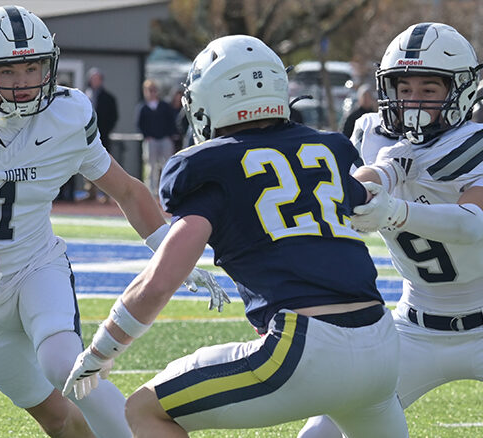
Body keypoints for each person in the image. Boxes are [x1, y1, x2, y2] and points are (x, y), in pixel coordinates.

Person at [0, 6, 224, 438]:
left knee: (65, 366)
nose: (24, 81)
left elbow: (127, 190)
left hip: (36, 264)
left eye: (33, 67)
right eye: (8, 70)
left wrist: (168, 249)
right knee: (58, 420)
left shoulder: (68, 115)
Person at [63, 35, 407, 438]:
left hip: (304, 349)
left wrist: (102, 350)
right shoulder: (328, 148)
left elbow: (160, 281)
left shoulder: (213, 164)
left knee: (143, 410)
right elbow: (365, 200)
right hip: (382, 346)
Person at [298, 22, 483, 438]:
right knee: (320, 432)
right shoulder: (370, 135)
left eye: (429, 90)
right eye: (404, 88)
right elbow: (364, 184)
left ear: (459, 92)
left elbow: (471, 223)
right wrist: (359, 191)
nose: (412, 101)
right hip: (413, 326)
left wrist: (395, 210)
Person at [83, 67, 118, 202]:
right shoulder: (84, 96)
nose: (95, 81)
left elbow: (113, 116)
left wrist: (106, 129)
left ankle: (106, 194)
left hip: (102, 135)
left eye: (97, 79)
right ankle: (90, 192)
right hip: (86, 136)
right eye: (93, 79)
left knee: (104, 164)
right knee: (87, 163)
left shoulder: (108, 98)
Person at [136, 79, 177, 196]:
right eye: (150, 90)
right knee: (151, 167)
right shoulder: (143, 107)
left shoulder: (165, 106)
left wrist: (169, 135)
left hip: (165, 139)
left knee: (167, 165)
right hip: (151, 140)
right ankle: (151, 192)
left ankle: (167, 190)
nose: (152, 93)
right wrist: (146, 136)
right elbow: (139, 124)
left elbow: (171, 121)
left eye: (154, 90)